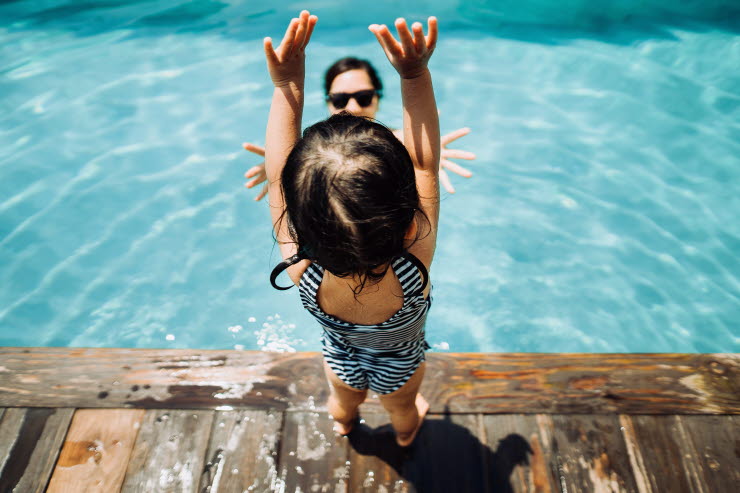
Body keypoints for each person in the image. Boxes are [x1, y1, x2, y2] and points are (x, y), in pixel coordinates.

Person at [261, 10, 440, 447]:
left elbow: (276, 175)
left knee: (342, 397)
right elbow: (424, 162)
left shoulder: (301, 268)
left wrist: (286, 85)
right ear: (405, 219)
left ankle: (343, 421)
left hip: (339, 352)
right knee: (402, 406)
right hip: (399, 359)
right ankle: (404, 433)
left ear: (299, 221)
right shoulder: (414, 260)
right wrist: (414, 73)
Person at [243, 57, 475, 201]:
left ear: (378, 98)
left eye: (363, 97)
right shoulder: (310, 154)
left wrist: (425, 155)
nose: (352, 107)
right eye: (340, 99)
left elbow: (418, 159)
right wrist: (285, 167)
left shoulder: (402, 142)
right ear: (327, 101)